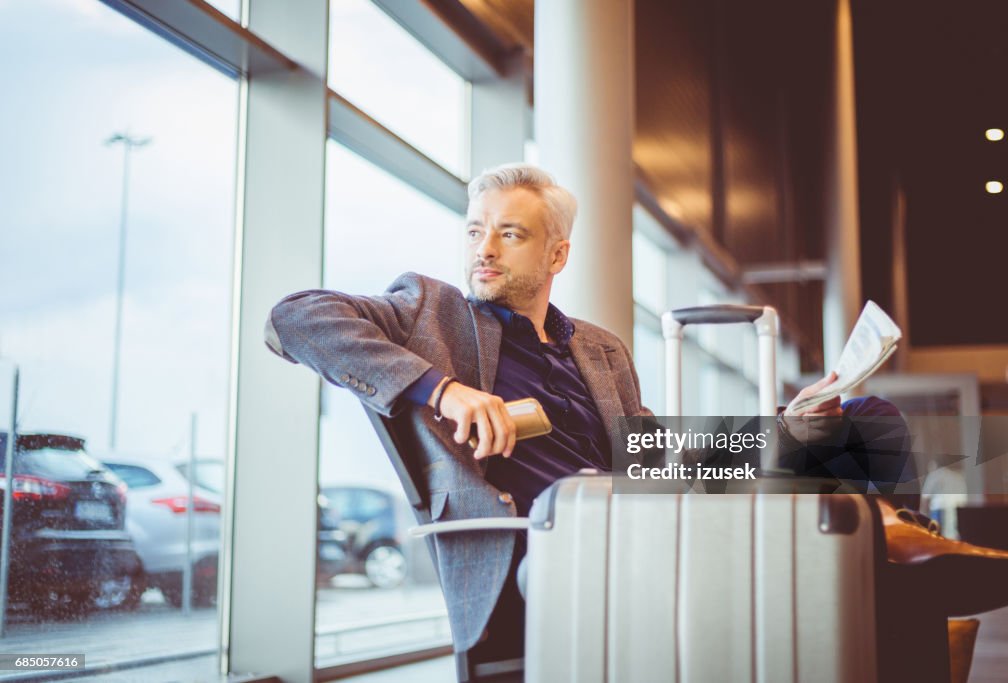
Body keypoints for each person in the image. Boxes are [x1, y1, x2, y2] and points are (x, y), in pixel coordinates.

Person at [264, 163, 912, 670]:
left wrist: (781, 423)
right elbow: (292, 317)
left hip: (642, 517)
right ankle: (896, 567)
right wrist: (442, 391)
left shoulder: (599, 347)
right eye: (475, 229)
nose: (484, 248)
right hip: (550, 545)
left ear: (556, 255)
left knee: (865, 420)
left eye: (509, 233)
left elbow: (650, 452)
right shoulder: (430, 311)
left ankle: (904, 550)